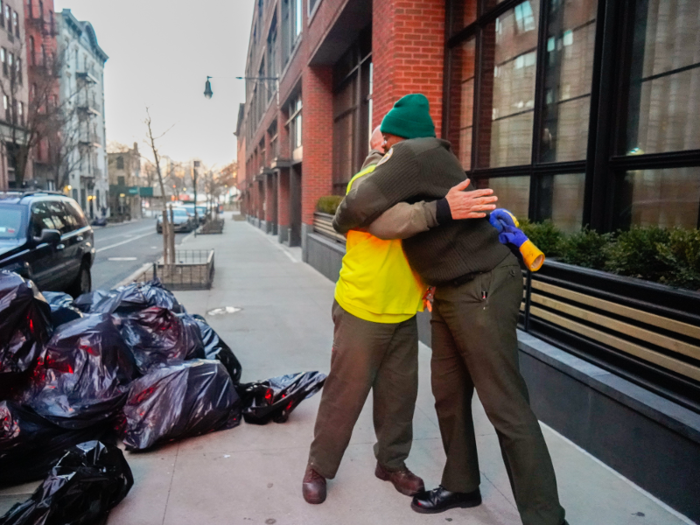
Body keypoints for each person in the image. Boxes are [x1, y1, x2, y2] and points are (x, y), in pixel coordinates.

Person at [333, 94, 567, 525]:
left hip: (480, 288)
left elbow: (351, 209)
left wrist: (384, 158)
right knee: (449, 394)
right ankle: (462, 485)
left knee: (505, 406)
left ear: (388, 137)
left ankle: (546, 518)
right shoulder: (420, 155)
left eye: (382, 140)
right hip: (448, 291)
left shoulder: (413, 154)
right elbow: (374, 210)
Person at [303, 126, 486, 505]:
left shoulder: (421, 189)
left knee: (399, 397)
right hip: (362, 307)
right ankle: (318, 467)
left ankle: (391, 463)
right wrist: (439, 209)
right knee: (344, 396)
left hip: (404, 308)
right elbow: (396, 222)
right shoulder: (367, 184)